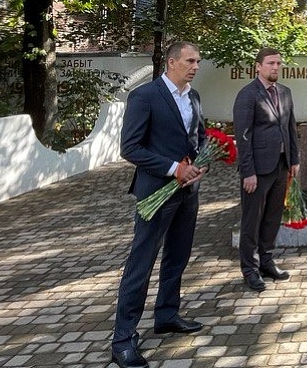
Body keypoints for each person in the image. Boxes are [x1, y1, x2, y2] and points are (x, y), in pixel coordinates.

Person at [112, 42, 208, 368]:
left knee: (177, 257)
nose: (195, 66)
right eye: (190, 60)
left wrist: (202, 161)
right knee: (141, 264)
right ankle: (123, 339)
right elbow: (131, 148)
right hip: (155, 193)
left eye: (198, 61)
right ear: (171, 62)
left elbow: (200, 137)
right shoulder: (145, 96)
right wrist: (174, 168)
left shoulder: (193, 96)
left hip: (188, 192)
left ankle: (167, 314)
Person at [234, 47, 301, 292]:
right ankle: (249, 269)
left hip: (281, 166)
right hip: (258, 170)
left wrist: (294, 159)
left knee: (273, 218)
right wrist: (247, 171)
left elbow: (290, 128)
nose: (275, 67)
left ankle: (266, 261)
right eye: (271, 63)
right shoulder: (247, 95)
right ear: (258, 66)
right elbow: (243, 136)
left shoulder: (285, 92)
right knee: (252, 220)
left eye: (278, 63)